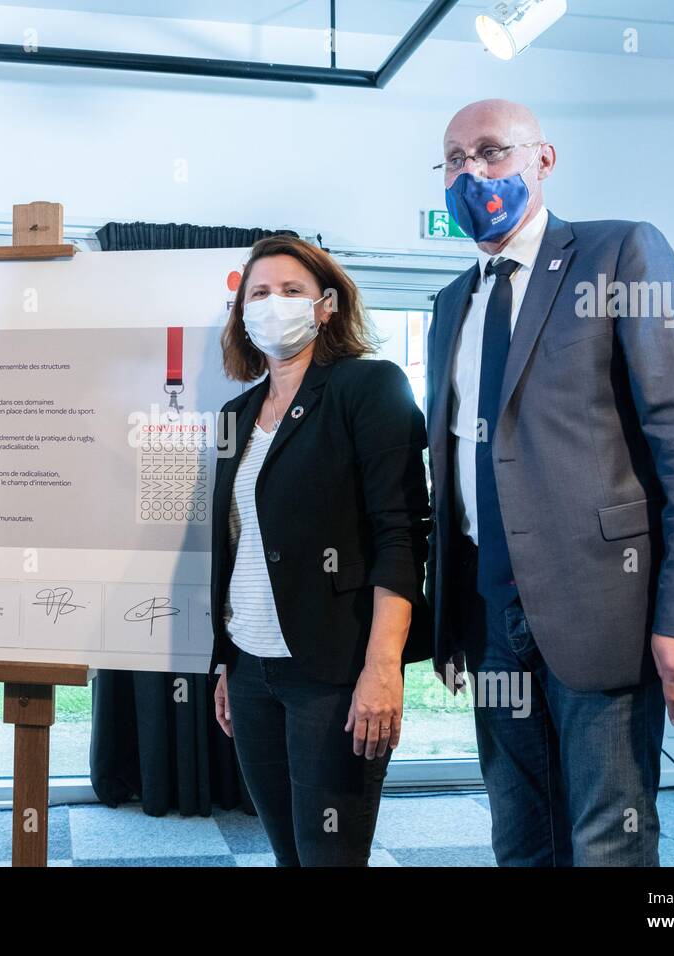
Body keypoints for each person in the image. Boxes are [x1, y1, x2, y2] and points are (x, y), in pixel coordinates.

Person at [425, 99, 674, 865]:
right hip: (491, 619)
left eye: (492, 152)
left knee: (607, 840)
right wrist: (449, 614)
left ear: (543, 159)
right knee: (520, 833)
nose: (473, 173)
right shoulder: (449, 305)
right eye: (455, 160)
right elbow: (455, 470)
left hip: (604, 608)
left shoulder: (619, 254)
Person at [207, 235, 432, 866]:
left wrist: (382, 669)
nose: (272, 304)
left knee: (329, 857)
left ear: (326, 306)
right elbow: (237, 546)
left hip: (334, 673)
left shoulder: (369, 388)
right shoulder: (238, 412)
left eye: (291, 291)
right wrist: (228, 662)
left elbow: (401, 534)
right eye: (258, 293)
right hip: (251, 669)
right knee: (287, 855)